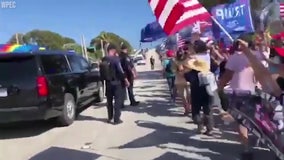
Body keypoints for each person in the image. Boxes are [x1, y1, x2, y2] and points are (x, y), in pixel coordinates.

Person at [218, 39, 267, 158]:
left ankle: (247, 149)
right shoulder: (260, 55)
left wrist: (220, 86)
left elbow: (227, 75)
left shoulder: (235, 57)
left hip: (239, 93)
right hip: (257, 91)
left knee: (241, 121)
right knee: (257, 119)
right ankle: (258, 140)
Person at [100, 44, 130, 125]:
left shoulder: (103, 59)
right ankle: (116, 119)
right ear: (112, 50)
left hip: (108, 84)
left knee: (109, 102)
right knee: (117, 101)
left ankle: (110, 118)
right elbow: (120, 71)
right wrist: (126, 80)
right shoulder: (115, 59)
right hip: (117, 83)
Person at [184, 59, 213, 135]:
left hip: (196, 94)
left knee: (196, 111)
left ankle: (200, 124)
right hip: (208, 93)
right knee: (208, 111)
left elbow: (185, 76)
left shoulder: (190, 74)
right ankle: (209, 129)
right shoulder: (208, 73)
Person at [172, 49, 191, 115]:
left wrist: (184, 70)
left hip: (188, 80)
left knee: (189, 95)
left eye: (182, 52)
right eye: (179, 52)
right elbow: (173, 71)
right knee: (183, 96)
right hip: (179, 81)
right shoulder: (175, 61)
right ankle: (186, 108)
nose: (180, 54)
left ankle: (189, 106)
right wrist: (178, 69)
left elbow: (191, 69)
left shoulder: (188, 60)